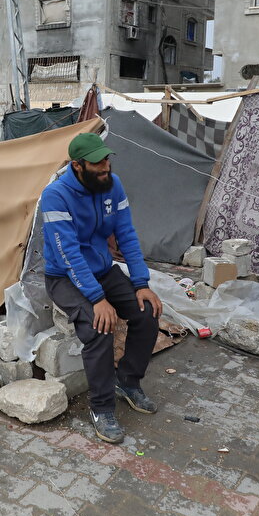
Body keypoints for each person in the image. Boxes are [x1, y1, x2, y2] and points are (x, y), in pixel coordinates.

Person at [41, 132, 163, 444]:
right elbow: (67, 254)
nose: (105, 166)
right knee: (99, 329)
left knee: (146, 313)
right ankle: (101, 408)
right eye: (97, 162)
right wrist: (97, 298)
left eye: (107, 159)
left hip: (103, 269)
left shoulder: (112, 184)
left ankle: (128, 381)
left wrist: (140, 282)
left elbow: (126, 233)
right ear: (78, 165)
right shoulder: (56, 195)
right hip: (65, 278)